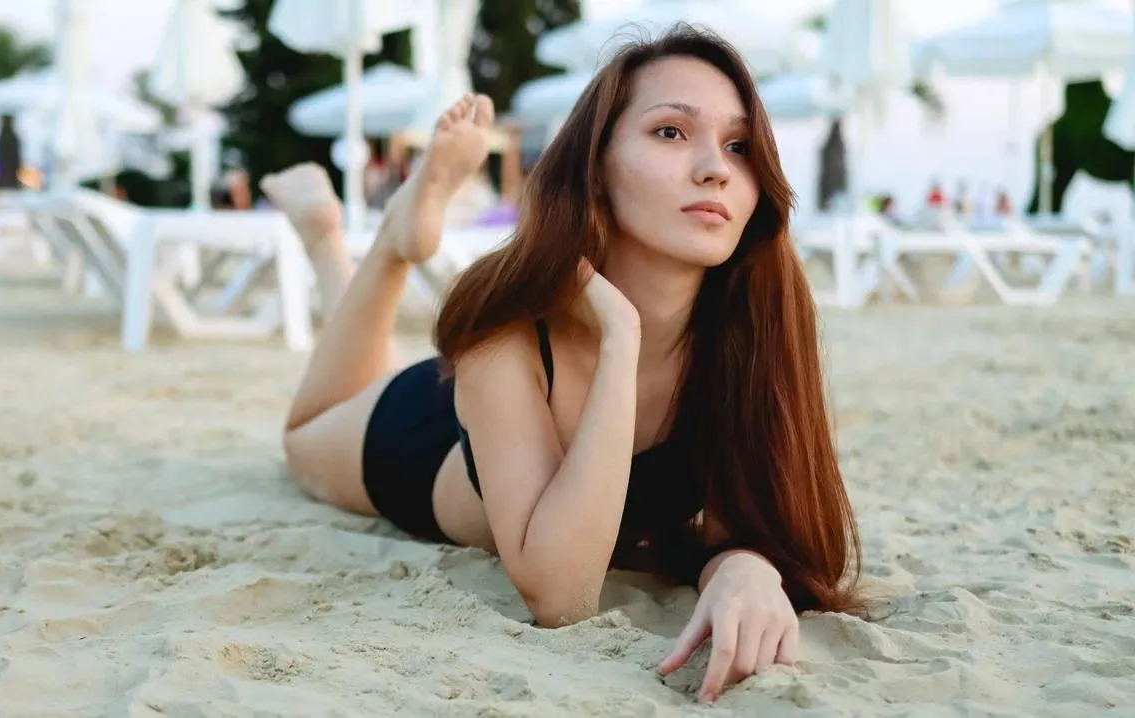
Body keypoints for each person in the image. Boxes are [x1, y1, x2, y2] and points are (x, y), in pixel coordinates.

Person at [262, 26, 861, 703]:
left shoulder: (752, 330)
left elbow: (745, 524)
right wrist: (620, 334)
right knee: (305, 434)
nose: (715, 169)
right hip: (418, 444)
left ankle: (393, 232)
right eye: (670, 132)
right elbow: (563, 596)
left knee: (358, 373)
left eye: (738, 146)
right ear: (596, 167)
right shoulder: (509, 333)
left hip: (507, 403)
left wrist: (746, 568)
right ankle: (346, 237)